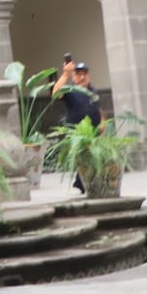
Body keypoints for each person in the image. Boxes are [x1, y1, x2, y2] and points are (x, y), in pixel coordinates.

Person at [53, 59, 103, 193]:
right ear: (74, 77)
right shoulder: (70, 89)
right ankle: (83, 183)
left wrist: (102, 121)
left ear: (88, 75)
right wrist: (65, 74)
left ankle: (84, 183)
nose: (82, 77)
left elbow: (98, 107)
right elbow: (56, 93)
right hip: (77, 133)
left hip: (93, 132)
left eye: (84, 74)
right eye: (78, 74)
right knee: (83, 157)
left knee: (92, 157)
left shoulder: (93, 90)